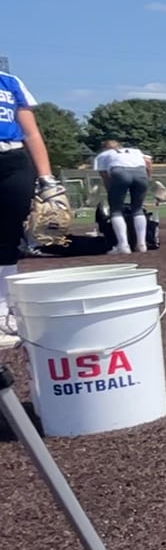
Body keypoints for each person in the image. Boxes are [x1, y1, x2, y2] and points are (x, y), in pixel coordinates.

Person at [0, 64, 68, 348]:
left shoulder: (9, 81)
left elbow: (31, 133)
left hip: (12, 159)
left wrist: (46, 178)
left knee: (8, 236)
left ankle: (4, 310)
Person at [91, 139, 153, 253]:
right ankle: (142, 244)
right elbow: (148, 162)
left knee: (116, 210)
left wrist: (110, 190)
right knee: (138, 209)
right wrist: (147, 178)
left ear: (104, 148)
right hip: (141, 172)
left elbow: (104, 176)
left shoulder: (103, 155)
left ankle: (123, 245)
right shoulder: (135, 151)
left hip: (119, 172)